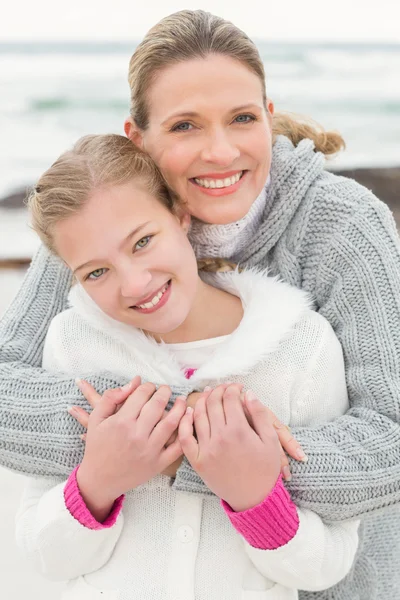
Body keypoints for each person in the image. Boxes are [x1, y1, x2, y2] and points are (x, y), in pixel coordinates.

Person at [1, 9, 399, 599]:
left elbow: (388, 441)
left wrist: (196, 452)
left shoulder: (345, 229)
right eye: (185, 125)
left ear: (268, 117)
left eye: (241, 118)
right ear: (138, 137)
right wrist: (137, 447)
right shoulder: (101, 224)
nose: (220, 151)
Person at [16, 133, 359, 600]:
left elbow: (329, 564)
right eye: (96, 272)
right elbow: (45, 557)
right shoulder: (73, 343)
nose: (134, 284)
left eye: (142, 242)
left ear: (180, 216)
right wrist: (99, 482)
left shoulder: (300, 344)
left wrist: (256, 499)